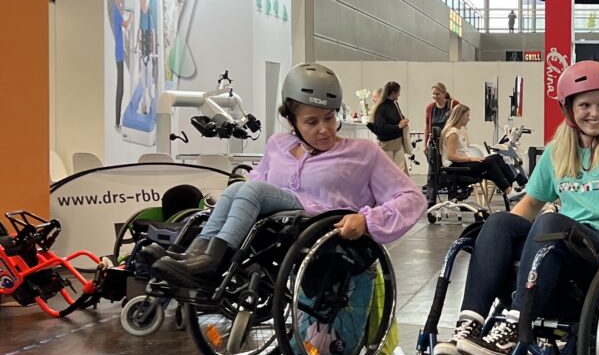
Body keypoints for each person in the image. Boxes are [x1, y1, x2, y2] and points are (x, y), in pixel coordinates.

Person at [433, 60, 599, 355]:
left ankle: (514, 326)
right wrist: (498, 238)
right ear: (569, 108)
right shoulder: (558, 150)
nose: (596, 113)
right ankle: (468, 327)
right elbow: (529, 205)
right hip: (560, 245)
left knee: (552, 222)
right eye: (586, 105)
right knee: (497, 222)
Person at [152, 64, 426, 288]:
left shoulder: (363, 153)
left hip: (320, 228)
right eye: (311, 122)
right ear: (291, 121)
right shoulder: (278, 145)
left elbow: (412, 198)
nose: (324, 129)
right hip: (276, 231)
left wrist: (367, 220)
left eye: (329, 118)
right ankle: (193, 255)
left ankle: (213, 264)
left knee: (251, 190)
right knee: (236, 190)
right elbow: (255, 182)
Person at [440, 104, 522, 198]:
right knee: (490, 162)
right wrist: (471, 159)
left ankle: (516, 183)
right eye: (467, 116)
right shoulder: (453, 133)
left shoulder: (458, 131)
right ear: (460, 116)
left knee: (497, 157)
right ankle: (510, 191)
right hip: (454, 167)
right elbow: (451, 156)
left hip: (461, 164)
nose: (469, 119)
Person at [370, 81, 410, 174]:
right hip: (386, 144)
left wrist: (403, 121)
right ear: (393, 93)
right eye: (398, 92)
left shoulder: (395, 104)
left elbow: (399, 117)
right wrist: (398, 126)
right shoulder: (381, 107)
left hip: (398, 142)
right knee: (387, 171)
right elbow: (381, 128)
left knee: (400, 171)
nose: (399, 94)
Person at [111, 0, 131, 131]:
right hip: (119, 53)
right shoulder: (115, 11)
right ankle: (117, 122)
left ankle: (118, 121)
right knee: (120, 88)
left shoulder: (117, 10)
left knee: (121, 87)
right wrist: (131, 15)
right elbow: (124, 24)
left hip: (120, 51)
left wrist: (124, 5)